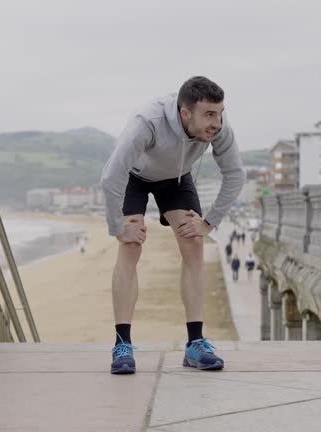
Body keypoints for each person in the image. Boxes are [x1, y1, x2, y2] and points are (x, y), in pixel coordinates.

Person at [100, 76, 246, 374]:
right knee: (131, 246)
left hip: (176, 179)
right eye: (208, 114)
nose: (216, 122)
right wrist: (118, 228)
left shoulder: (218, 126)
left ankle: (195, 344)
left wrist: (209, 223)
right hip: (133, 177)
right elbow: (111, 178)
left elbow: (235, 175)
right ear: (185, 113)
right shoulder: (148, 121)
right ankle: (121, 345)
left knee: (193, 243)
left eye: (219, 112)